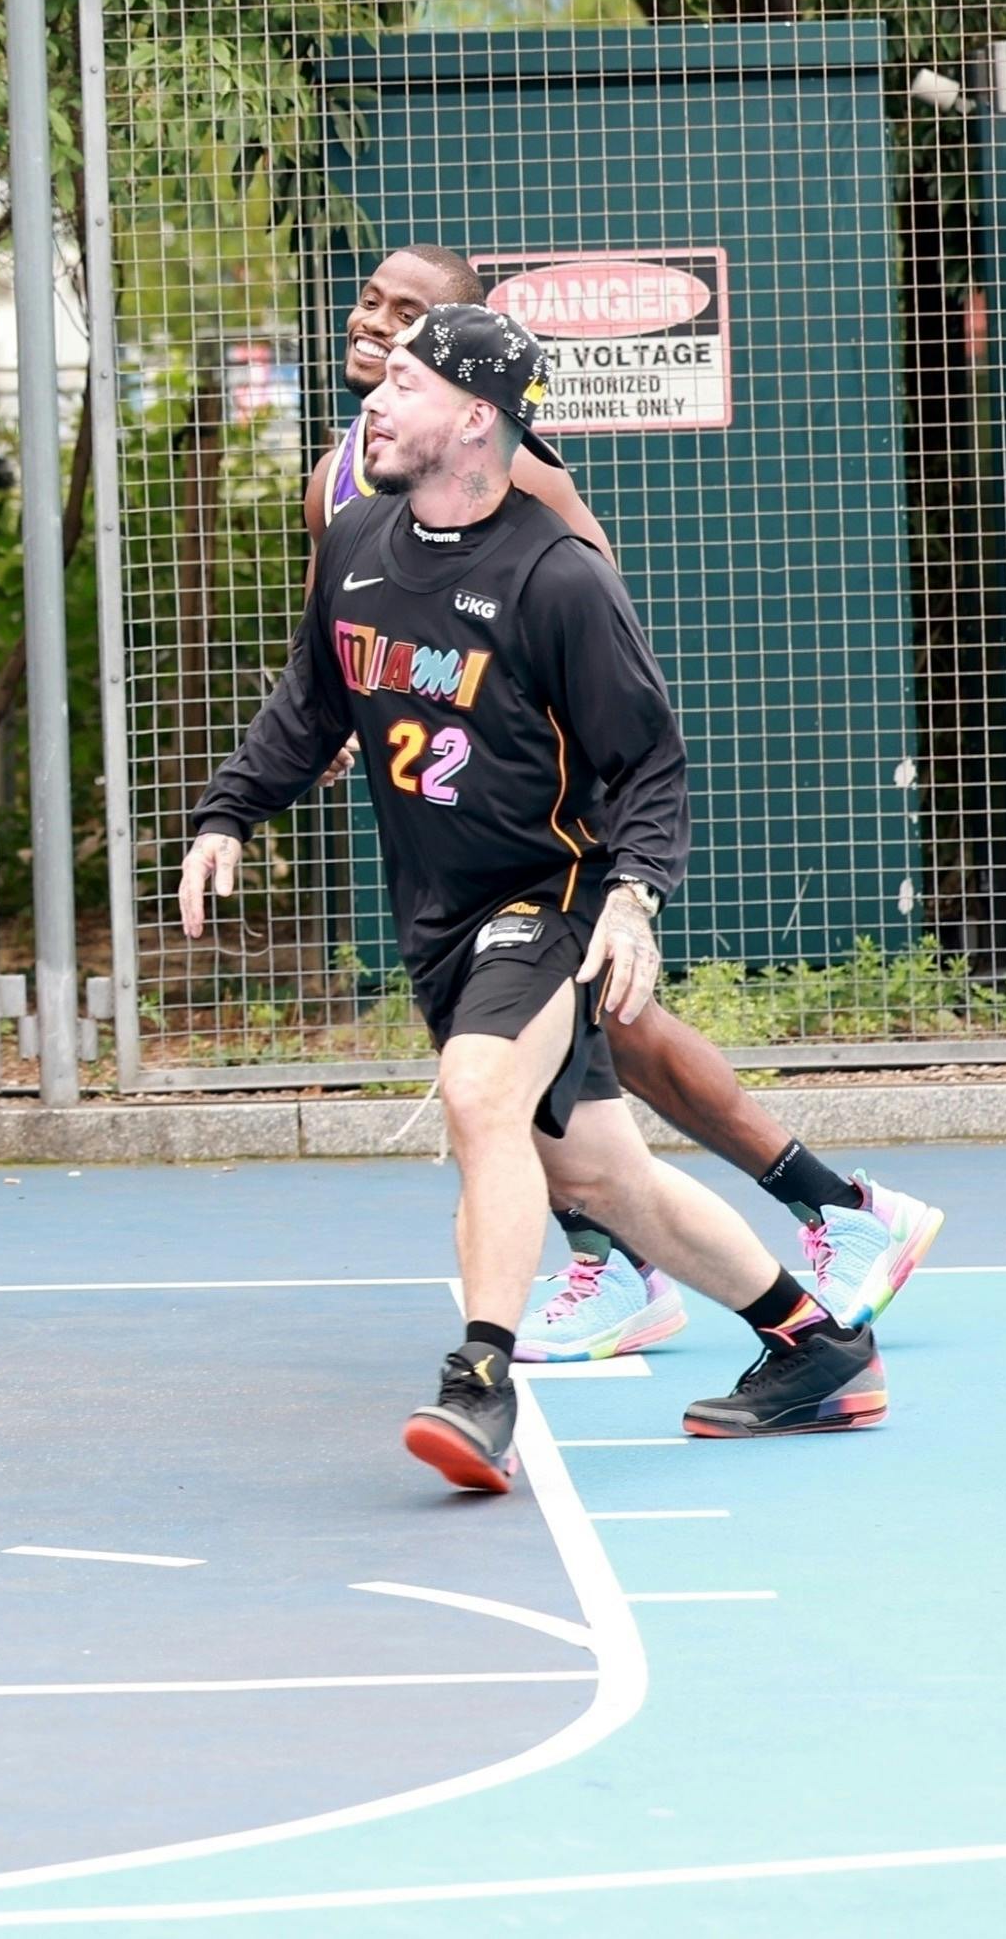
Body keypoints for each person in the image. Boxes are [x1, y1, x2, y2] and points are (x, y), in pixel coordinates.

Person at [185, 304, 889, 1492]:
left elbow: (648, 761)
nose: (373, 397)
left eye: (401, 381)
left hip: (547, 890)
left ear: (472, 415)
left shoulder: (554, 578)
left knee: (476, 1094)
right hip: (435, 912)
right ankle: (814, 1343)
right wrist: (226, 813)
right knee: (603, 1177)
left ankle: (477, 1380)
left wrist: (631, 900)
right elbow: (309, 704)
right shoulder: (354, 540)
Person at [304, 245, 940, 1364]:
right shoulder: (341, 479)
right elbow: (346, 645)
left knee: (549, 1059)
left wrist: (609, 854)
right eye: (372, 302)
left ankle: (682, 1251)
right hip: (455, 812)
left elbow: (580, 611)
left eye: (408, 317)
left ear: (467, 386)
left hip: (552, 808)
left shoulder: (522, 484)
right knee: (595, 1061)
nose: (375, 324)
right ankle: (797, 1224)